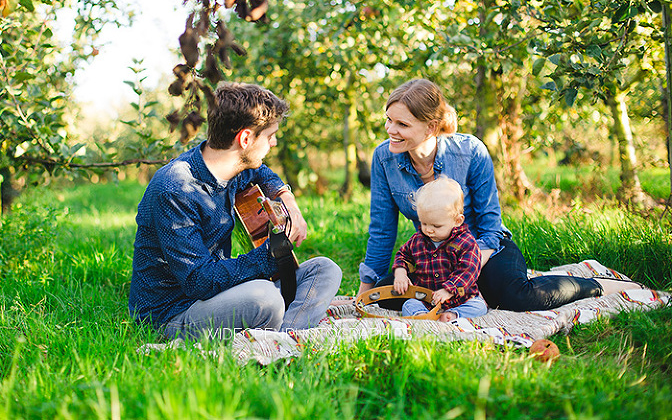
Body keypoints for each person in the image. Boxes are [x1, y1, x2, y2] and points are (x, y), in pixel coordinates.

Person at [360, 78, 641, 312]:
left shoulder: (470, 151)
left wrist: (466, 274)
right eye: (388, 120)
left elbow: (490, 224)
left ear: (431, 127)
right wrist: (366, 292)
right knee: (389, 296)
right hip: (435, 255)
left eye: (402, 125)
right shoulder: (384, 158)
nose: (390, 130)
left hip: (484, 248)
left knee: (515, 297)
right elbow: (382, 229)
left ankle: (596, 284)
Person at [129, 82, 342, 339]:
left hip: (218, 292)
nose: (273, 143)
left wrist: (289, 201)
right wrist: (270, 255)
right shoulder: (175, 189)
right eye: (270, 136)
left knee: (326, 270)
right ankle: (284, 332)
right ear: (245, 139)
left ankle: (285, 336)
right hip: (173, 312)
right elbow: (199, 281)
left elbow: (262, 173)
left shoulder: (231, 167)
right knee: (265, 299)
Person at [392, 177, 488, 321]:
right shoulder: (418, 240)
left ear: (457, 221)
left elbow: (469, 270)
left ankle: (454, 315)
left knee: (479, 306)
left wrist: (449, 290)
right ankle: (421, 315)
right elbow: (403, 255)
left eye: (436, 226)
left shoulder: (466, 243)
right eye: (424, 223)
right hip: (426, 300)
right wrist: (400, 273)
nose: (429, 230)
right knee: (409, 304)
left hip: (460, 299)